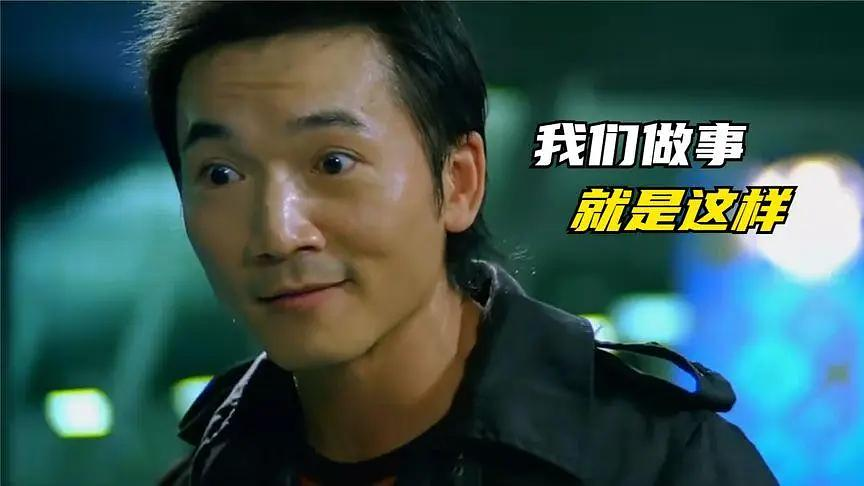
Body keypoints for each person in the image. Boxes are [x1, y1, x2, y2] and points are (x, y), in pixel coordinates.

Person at [138, 2, 778, 484]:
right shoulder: (211, 472)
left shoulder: (660, 465)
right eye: (220, 175)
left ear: (459, 180)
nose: (278, 233)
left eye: (333, 163)